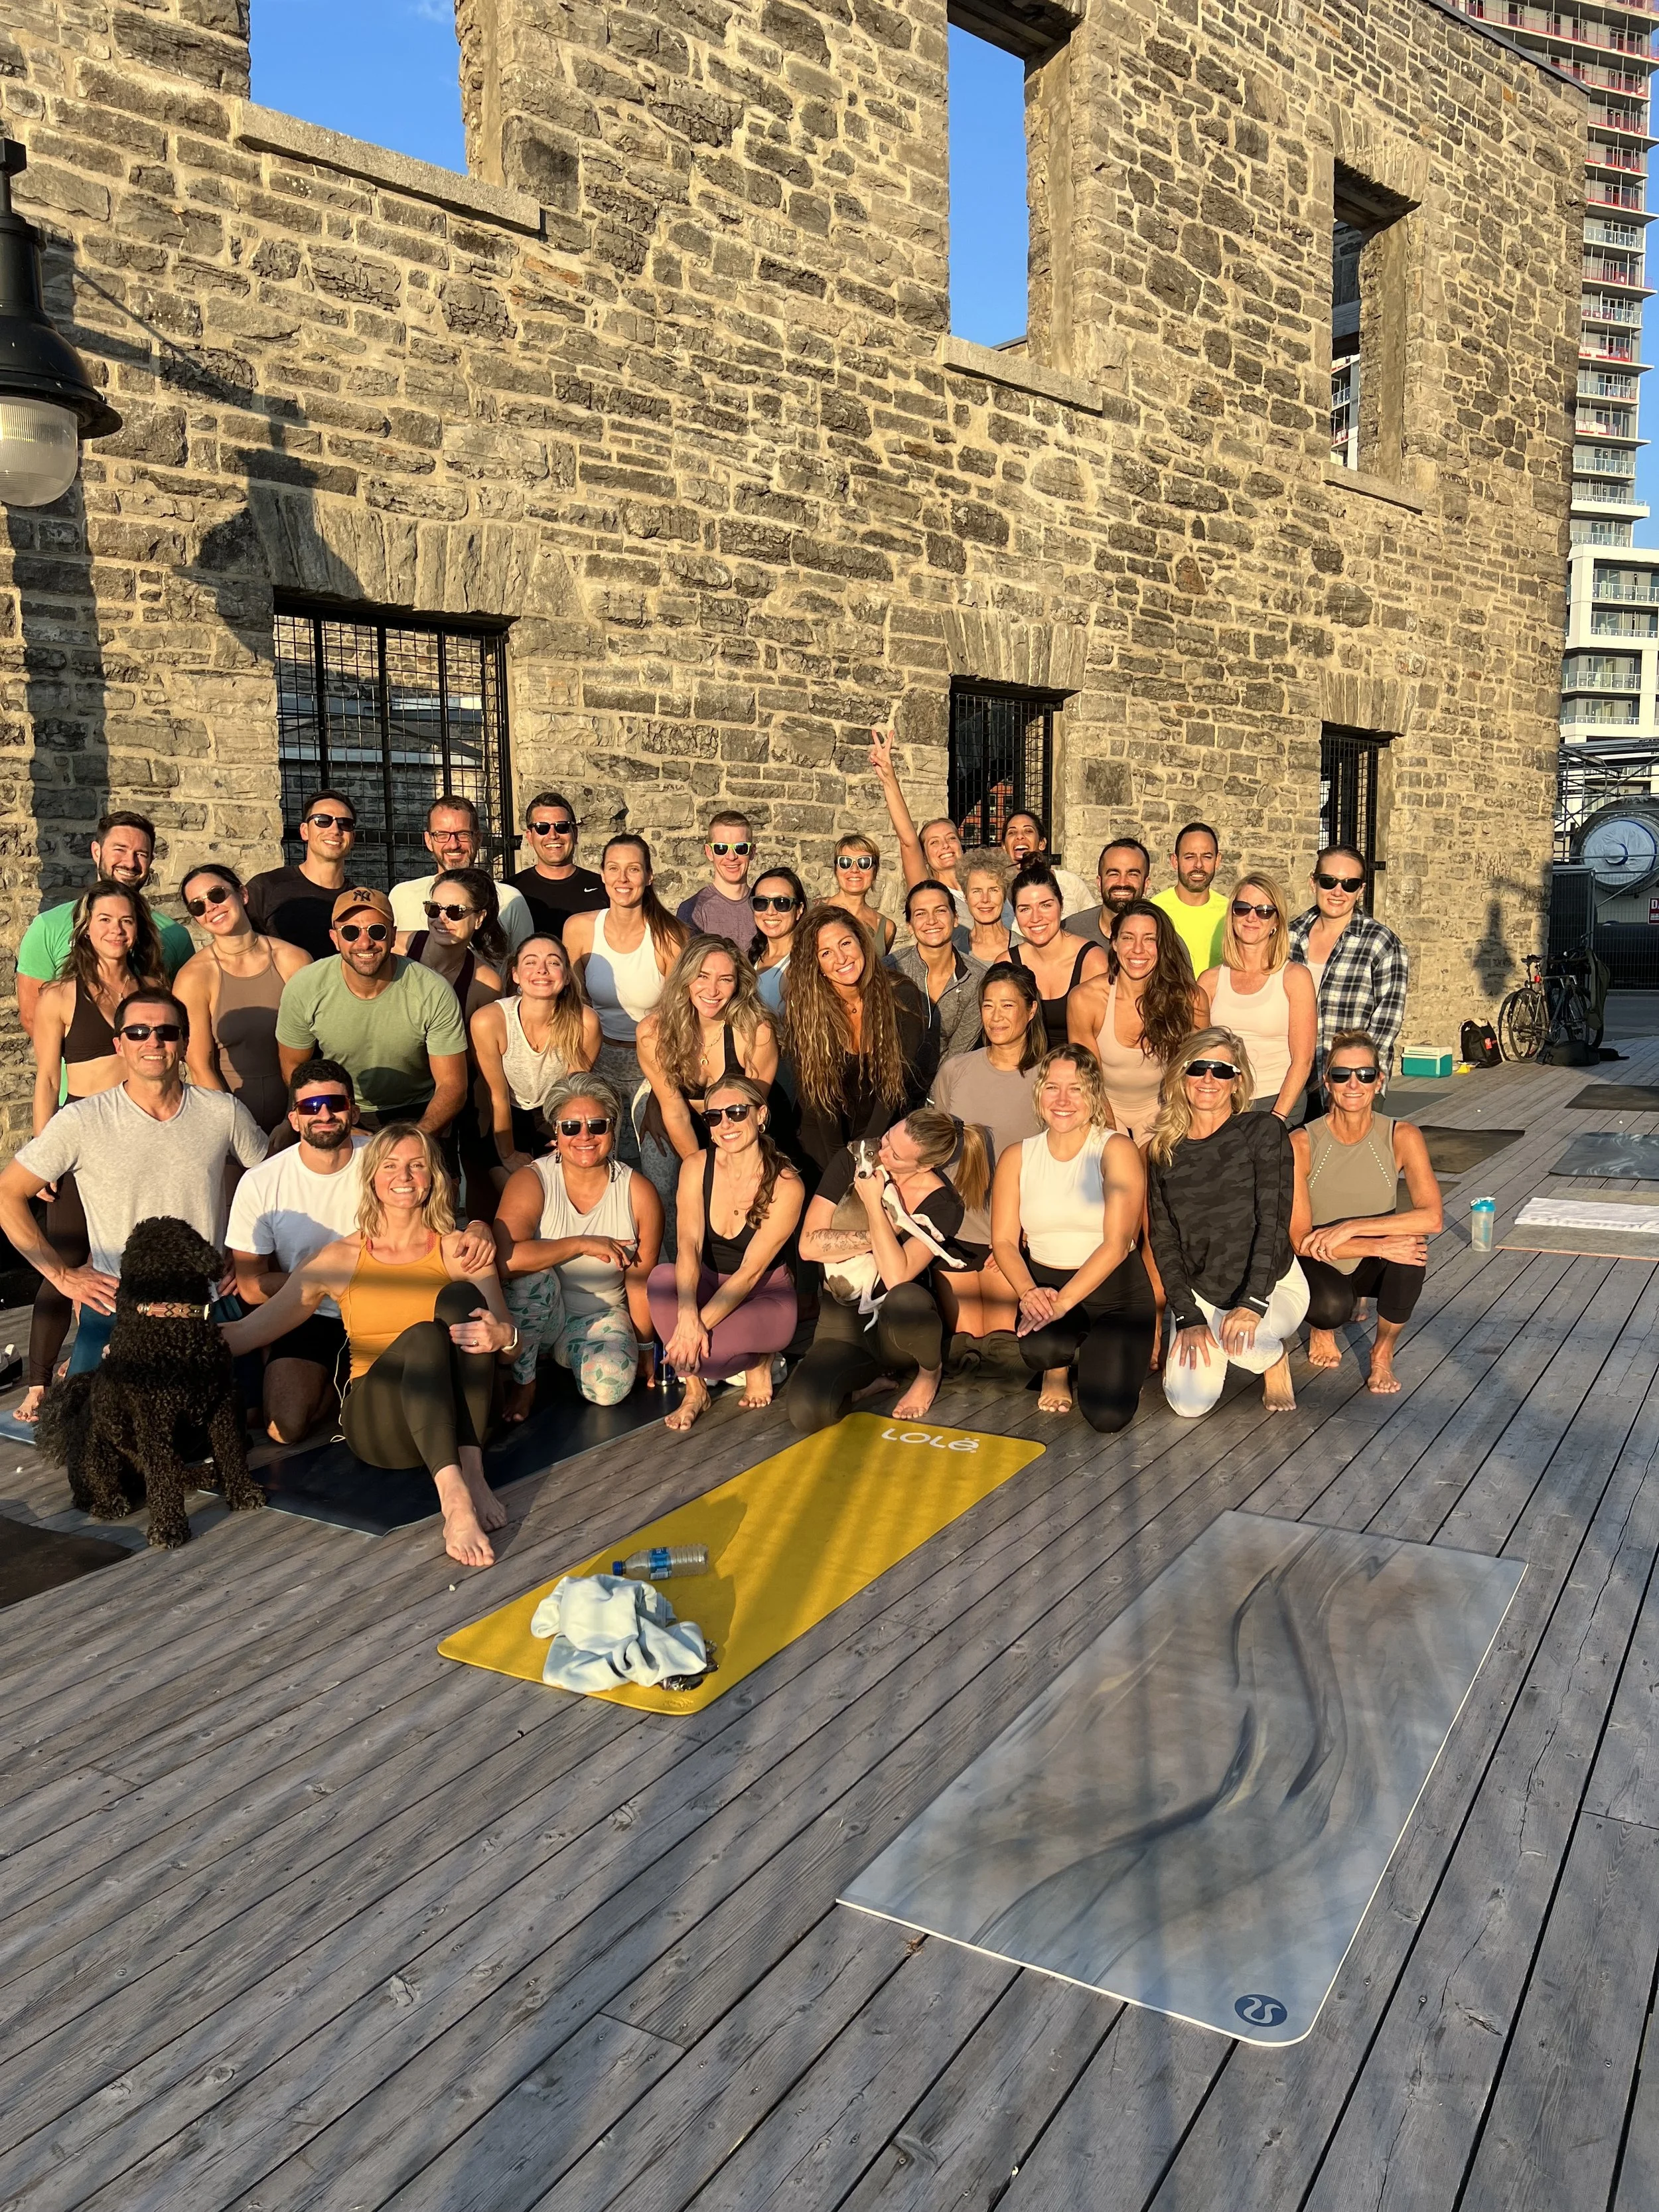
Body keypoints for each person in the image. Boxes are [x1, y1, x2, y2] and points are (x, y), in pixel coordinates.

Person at [222, 1126, 516, 1569]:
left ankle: (471, 1473)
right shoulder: (340, 1258)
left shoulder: (461, 1250)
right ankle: (454, 1500)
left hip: (458, 1421)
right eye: (391, 1165)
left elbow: (509, 1347)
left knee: (463, 1300)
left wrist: (504, 1336)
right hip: (381, 1426)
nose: (405, 1175)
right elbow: (247, 1332)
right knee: (424, 1335)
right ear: (373, 1178)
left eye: (417, 1165)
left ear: (433, 1176)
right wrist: (156, 1332)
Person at [0, 987, 268, 1382]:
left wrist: (245, 1252)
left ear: (185, 1041)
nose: (153, 1041)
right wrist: (61, 1276)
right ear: (119, 1045)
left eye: (167, 1032)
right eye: (138, 1032)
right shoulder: (82, 1120)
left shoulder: (222, 1111)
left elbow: (273, 1180)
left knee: (248, 1421)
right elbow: (8, 1194)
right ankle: (66, 1375)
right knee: (103, 1426)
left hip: (208, 1299)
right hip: (118, 1305)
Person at [20, 885, 169, 1419]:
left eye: (126, 920)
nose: (115, 929)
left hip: (136, 1130)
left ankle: (114, 1360)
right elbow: (44, 1081)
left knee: (130, 1253)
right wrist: (44, 1154)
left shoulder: (152, 987)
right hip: (78, 1132)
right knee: (65, 1256)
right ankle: (38, 1380)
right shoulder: (60, 994)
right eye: (104, 919)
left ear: (138, 928)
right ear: (86, 927)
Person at [787, 1108, 988, 1432]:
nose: (880, 1154)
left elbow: (897, 1275)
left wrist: (871, 1204)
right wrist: (880, 1238)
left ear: (924, 1165)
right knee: (808, 1412)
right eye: (887, 1138)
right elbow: (808, 1246)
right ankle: (873, 1381)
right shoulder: (855, 1159)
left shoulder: (943, 1203)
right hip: (843, 1316)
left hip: (897, 1326)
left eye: (894, 1154)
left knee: (907, 1297)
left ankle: (928, 1372)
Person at [1145, 1027, 1309, 1419]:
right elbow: (1162, 1238)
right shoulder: (1162, 1150)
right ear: (1180, 1077)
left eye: (1222, 1070)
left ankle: (1273, 1359)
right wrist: (1187, 1314)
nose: (1208, 1079)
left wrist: (1252, 1304)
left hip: (1273, 1285)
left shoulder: (1262, 1132)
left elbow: (1273, 1222)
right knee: (1188, 1404)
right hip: (1202, 1289)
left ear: (1237, 1082)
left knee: (1244, 1344)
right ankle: (1222, 1333)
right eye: (1198, 1068)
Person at [991, 1044, 1156, 1427]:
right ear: (1039, 1094)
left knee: (1107, 1415)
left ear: (1094, 1096)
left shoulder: (1116, 1149)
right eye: (1052, 1087)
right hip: (1048, 1289)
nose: (1063, 1100)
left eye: (1077, 1088)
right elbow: (1002, 1241)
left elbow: (1117, 1245)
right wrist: (1029, 1294)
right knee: (1042, 1348)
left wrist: (1061, 1305)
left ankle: (1113, 1359)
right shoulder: (1017, 1156)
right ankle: (1057, 1368)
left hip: (1116, 1295)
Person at [494, 1073, 663, 1418]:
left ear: (613, 1129)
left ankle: (573, 1356)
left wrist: (646, 1348)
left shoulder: (638, 1191)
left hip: (601, 1316)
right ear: (555, 1133)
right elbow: (506, 1262)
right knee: (532, 1277)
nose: (584, 1136)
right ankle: (525, 1381)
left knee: (610, 1390)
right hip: (540, 1317)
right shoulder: (532, 1180)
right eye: (571, 1127)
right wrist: (582, 1243)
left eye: (597, 1125)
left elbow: (639, 1281)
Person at [646, 1074, 805, 1432]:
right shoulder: (696, 1166)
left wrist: (695, 1328)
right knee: (660, 1279)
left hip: (762, 1293)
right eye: (714, 1117)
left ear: (760, 1115)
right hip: (705, 1282)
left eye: (736, 1112)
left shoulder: (786, 1183)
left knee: (710, 1358)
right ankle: (695, 1392)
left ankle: (761, 1360)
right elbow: (688, 1245)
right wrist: (687, 1313)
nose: (726, 1124)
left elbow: (750, 1272)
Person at [1291, 1029, 1442, 1395]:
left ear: (1380, 1081)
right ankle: (1321, 1329)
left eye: (1365, 1074)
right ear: (1327, 1082)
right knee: (1331, 1307)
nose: (1353, 1084)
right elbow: (1298, 1240)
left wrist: (1350, 1228)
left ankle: (1382, 1352)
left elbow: (1432, 1216)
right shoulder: (1301, 1142)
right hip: (1322, 1258)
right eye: (1341, 1075)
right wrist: (1375, 1244)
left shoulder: (1402, 1135)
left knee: (1411, 1251)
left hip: (1356, 1249)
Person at [226, 1063, 369, 1442]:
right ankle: (337, 1385)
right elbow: (252, 1287)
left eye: (334, 1103)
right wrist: (322, 1280)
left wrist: (476, 1226)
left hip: (378, 1304)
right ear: (293, 1118)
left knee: (383, 1418)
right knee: (282, 1429)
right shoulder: (261, 1182)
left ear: (353, 1112)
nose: (323, 1114)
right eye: (311, 1106)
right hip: (306, 1312)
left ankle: (348, 1387)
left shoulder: (385, 1162)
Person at [274, 887, 469, 1134]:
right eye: (351, 932)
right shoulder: (305, 987)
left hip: (419, 1109)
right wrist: (338, 1124)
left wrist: (415, 1138)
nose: (364, 943)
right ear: (335, 939)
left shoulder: (432, 991)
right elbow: (294, 1069)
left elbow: (452, 1085)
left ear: (393, 936)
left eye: (377, 931)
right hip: (338, 1107)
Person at [929, 962, 1046, 1342]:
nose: (996, 1018)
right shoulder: (956, 1069)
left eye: (1008, 1006)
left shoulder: (1049, 1078)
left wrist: (1021, 1235)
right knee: (965, 1345)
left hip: (1010, 1237)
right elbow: (933, 1149)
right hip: (955, 1231)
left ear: (1030, 1010)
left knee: (1000, 1346)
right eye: (987, 1006)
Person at [783, 903, 936, 1179]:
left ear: (861, 943)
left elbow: (892, 1090)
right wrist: (839, 1169)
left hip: (883, 1135)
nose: (841, 958)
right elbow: (818, 1100)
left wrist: (868, 1155)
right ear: (816, 965)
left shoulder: (901, 998)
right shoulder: (808, 1010)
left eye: (846, 943)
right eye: (826, 953)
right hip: (822, 1139)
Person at [561, 833, 688, 1158]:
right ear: (602, 875)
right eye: (614, 869)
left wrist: (663, 1098)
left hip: (654, 1068)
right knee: (599, 1162)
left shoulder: (671, 935)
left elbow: (681, 1018)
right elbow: (573, 1008)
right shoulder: (579, 928)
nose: (623, 878)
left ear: (649, 877)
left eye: (633, 869)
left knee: (660, 1169)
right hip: (598, 1063)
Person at [16, 810, 195, 1038]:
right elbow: (32, 1018)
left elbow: (187, 1019)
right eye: (120, 849)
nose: (130, 863)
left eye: (141, 854)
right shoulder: (48, 926)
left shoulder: (175, 935)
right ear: (96, 852)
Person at [175, 863, 312, 1134]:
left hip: (301, 1116)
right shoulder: (193, 977)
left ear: (243, 894)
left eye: (216, 895)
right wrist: (237, 1130)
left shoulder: (293, 960)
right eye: (197, 906)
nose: (211, 907)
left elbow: (315, 1048)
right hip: (227, 1124)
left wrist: (294, 1117)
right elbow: (199, 1066)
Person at [1069, 899, 1208, 1144]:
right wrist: (1115, 1137)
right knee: (1119, 1170)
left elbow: (1198, 1071)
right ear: (1114, 943)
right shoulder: (1086, 999)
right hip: (1103, 1106)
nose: (1138, 950)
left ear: (1162, 945)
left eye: (1149, 939)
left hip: (1164, 1108)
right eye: (1128, 938)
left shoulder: (1190, 999)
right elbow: (1088, 1077)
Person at [636, 934, 778, 1170]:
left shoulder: (756, 1032)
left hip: (741, 1124)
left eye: (725, 979)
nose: (712, 990)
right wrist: (702, 1170)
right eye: (702, 976)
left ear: (738, 985)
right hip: (679, 1122)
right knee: (666, 1183)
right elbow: (675, 1112)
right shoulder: (653, 1033)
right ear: (685, 977)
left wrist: (723, 1170)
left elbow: (748, 1115)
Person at [472, 935, 601, 1181]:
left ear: (565, 976)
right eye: (530, 962)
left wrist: (566, 1138)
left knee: (559, 1183)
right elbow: (496, 1096)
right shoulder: (490, 1021)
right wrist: (508, 1154)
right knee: (511, 1187)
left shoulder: (585, 1022)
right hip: (499, 1113)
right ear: (516, 975)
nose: (542, 970)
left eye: (553, 963)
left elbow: (569, 1095)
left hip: (550, 1112)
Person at [1289, 845, 1410, 1092]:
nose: (1337, 891)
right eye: (1328, 881)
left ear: (1361, 890)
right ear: (1313, 883)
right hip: (1292, 1083)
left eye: (1349, 884)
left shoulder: (1382, 944)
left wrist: (1356, 1078)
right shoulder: (1288, 937)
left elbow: (1385, 1027)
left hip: (1351, 1088)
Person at [1198, 872, 1317, 1124]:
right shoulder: (1209, 981)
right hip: (1221, 1105)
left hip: (1276, 1100)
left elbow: (1303, 1061)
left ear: (1276, 921)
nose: (1252, 917)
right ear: (1232, 917)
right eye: (1242, 909)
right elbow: (1198, 1053)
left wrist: (1277, 1118)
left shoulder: (1294, 978)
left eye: (1263, 910)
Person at [388, 793, 534, 952]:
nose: (453, 844)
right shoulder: (402, 896)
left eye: (463, 834)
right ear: (428, 841)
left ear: (478, 839)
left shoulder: (510, 900)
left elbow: (524, 967)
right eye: (442, 835)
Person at [245, 789, 360, 961]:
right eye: (323, 821)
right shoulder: (266, 887)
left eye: (345, 824)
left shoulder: (360, 900)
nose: (335, 830)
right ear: (305, 831)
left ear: (353, 837)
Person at [869, 725, 967, 917]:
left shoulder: (985, 886)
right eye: (934, 842)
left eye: (951, 838)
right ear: (924, 855)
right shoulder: (928, 889)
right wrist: (889, 778)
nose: (945, 846)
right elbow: (908, 842)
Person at [1009, 863, 1108, 1049]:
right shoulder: (1008, 964)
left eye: (1045, 905)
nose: (1036, 917)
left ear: (1061, 904)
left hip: (1079, 1069)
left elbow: (1103, 1040)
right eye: (1025, 909)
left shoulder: (1092, 961)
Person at [891, 879, 986, 1062]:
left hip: (948, 1082)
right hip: (891, 1082)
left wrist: (937, 1091)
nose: (932, 921)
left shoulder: (976, 979)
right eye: (920, 914)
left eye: (940, 910)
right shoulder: (890, 969)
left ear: (956, 918)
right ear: (909, 926)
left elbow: (958, 1056)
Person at [507, 790, 608, 940]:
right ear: (530, 836)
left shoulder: (604, 888)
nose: (553, 835)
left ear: (575, 833)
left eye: (562, 827)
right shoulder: (510, 893)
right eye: (542, 828)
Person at [1151, 822, 1230, 979]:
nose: (1199, 865)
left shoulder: (1232, 913)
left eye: (1207, 857)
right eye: (1189, 857)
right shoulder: (1155, 910)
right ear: (1175, 861)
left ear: (1218, 860)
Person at [676, 809, 757, 943]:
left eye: (741, 848)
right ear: (709, 852)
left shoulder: (766, 907)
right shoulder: (692, 910)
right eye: (721, 848)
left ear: (752, 852)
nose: (731, 857)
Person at [1001, 810, 1093, 916]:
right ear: (1004, 847)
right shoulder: (997, 891)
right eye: (1012, 832)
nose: (1020, 836)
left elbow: (1092, 923)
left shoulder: (1070, 883)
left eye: (1028, 831)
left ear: (1042, 843)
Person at [1074, 837, 1153, 950]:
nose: (1122, 883)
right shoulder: (1071, 932)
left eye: (1133, 874)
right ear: (1099, 882)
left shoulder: (1164, 939)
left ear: (1146, 884)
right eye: (1114, 874)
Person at [749, 865, 807, 1014]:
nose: (770, 912)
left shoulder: (805, 963)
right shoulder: (751, 957)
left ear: (799, 910)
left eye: (781, 903)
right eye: (761, 903)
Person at [829, 831, 897, 954]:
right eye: (845, 863)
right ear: (836, 870)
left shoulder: (886, 928)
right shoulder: (811, 910)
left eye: (864, 863)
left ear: (875, 872)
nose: (854, 870)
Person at [961, 848, 1015, 965]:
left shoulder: (1024, 948)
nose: (985, 899)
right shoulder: (954, 951)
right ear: (966, 897)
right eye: (977, 891)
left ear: (1004, 895)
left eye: (993, 890)